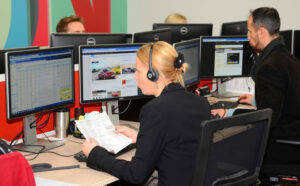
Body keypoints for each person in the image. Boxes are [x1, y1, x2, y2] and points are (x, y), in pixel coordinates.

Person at [82, 41, 211, 185]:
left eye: (138, 70)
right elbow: (179, 143)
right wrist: (143, 137)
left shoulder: (155, 110)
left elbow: (135, 174)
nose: (134, 76)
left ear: (153, 74)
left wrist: (95, 154)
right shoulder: (201, 102)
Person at [211, 7, 300, 174]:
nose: (247, 35)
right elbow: (284, 99)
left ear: (261, 32)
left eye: (250, 31)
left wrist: (229, 114)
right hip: (293, 136)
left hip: (283, 146)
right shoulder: (286, 57)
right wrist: (255, 100)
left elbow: (266, 120)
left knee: (220, 149)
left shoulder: (270, 66)